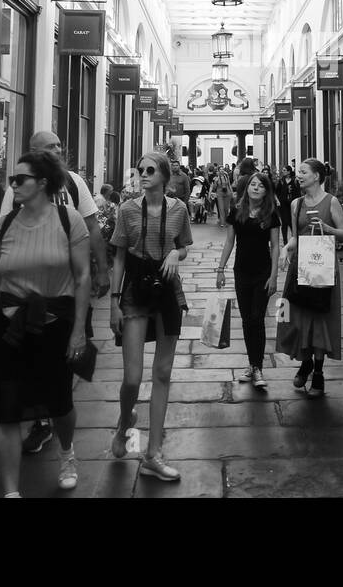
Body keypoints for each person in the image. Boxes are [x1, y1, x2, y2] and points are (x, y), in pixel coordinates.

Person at [0, 150, 91, 497]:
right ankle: (10, 491)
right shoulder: (4, 225)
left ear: (43, 184)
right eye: (12, 180)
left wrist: (79, 329)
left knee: (59, 402)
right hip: (9, 328)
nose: (13, 185)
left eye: (20, 180)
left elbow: (82, 277)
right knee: (6, 408)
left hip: (54, 325)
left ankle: (67, 452)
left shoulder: (69, 220)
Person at [0, 131, 109, 456]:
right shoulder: (17, 187)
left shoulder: (74, 183)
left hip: (68, 291)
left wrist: (102, 269)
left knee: (66, 358)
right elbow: (4, 233)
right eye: (51, 147)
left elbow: (92, 227)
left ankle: (59, 415)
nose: (59, 150)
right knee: (35, 361)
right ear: (34, 152)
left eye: (61, 145)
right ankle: (42, 421)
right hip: (28, 295)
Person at [108, 151, 193, 481]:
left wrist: (176, 251)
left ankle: (153, 453)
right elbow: (118, 257)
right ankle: (124, 420)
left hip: (168, 290)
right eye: (140, 170)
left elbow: (184, 245)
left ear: (164, 177)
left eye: (150, 170)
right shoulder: (128, 209)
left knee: (162, 373)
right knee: (132, 376)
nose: (142, 174)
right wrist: (114, 301)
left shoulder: (179, 209)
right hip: (135, 292)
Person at [281, 158, 343, 396]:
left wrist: (328, 229)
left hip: (323, 267)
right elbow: (295, 237)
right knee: (298, 317)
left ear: (317, 176)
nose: (298, 175)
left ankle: (317, 373)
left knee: (321, 319)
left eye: (303, 172)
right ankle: (306, 361)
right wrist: (286, 248)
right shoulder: (295, 204)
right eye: (298, 172)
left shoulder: (332, 202)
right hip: (301, 267)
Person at [216, 171, 281, 390]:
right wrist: (220, 269)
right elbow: (229, 242)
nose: (255, 188)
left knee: (257, 318)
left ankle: (258, 366)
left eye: (260, 185)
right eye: (252, 184)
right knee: (246, 320)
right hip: (241, 272)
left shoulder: (271, 213)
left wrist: (273, 276)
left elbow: (275, 247)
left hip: (262, 273)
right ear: (247, 188)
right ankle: (253, 365)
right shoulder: (236, 211)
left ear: (266, 191)